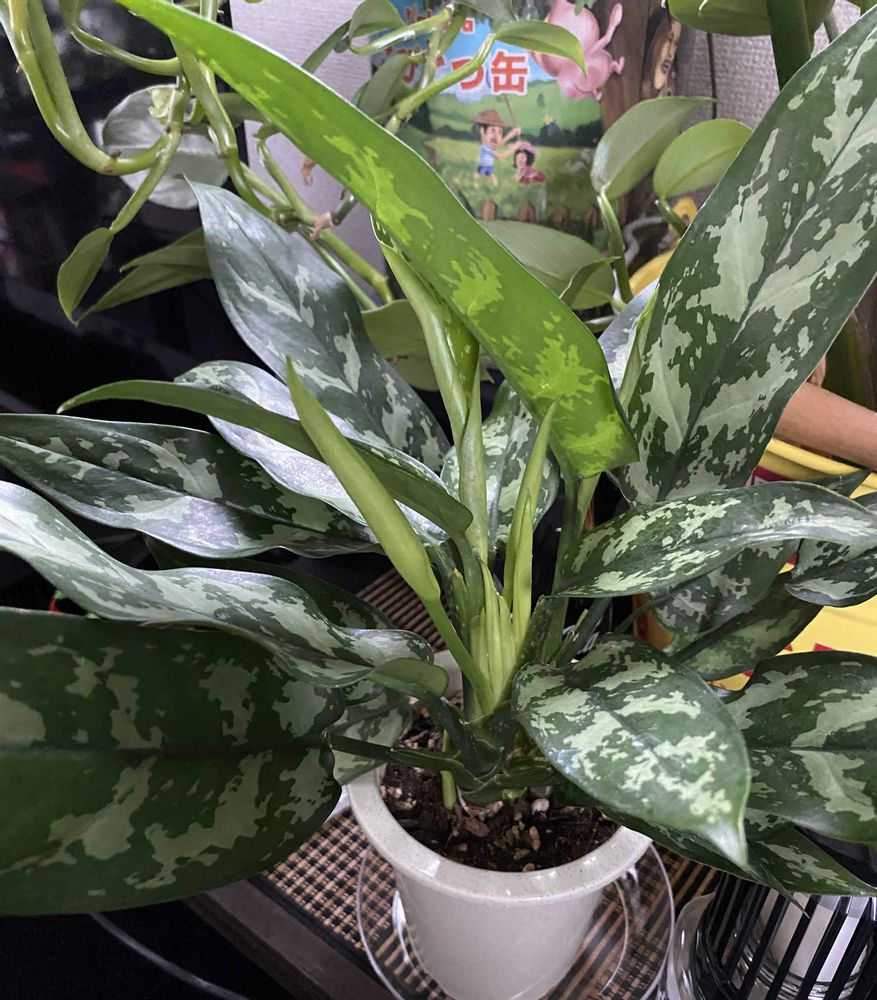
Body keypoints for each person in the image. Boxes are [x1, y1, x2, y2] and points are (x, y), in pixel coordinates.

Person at [473, 109, 521, 185]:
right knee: (478, 178)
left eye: (499, 132)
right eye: (493, 130)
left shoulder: (490, 146)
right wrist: (514, 148)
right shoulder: (486, 148)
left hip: (489, 166)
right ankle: (474, 184)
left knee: (492, 178)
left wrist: (512, 134)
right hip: (483, 166)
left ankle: (491, 186)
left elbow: (500, 143)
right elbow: (500, 156)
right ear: (483, 133)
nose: (496, 135)